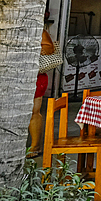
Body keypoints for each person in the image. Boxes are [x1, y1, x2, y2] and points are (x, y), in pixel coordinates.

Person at [28, 26, 57, 158]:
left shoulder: (38, 29)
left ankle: (35, 146)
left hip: (35, 76)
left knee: (34, 111)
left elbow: (49, 48)